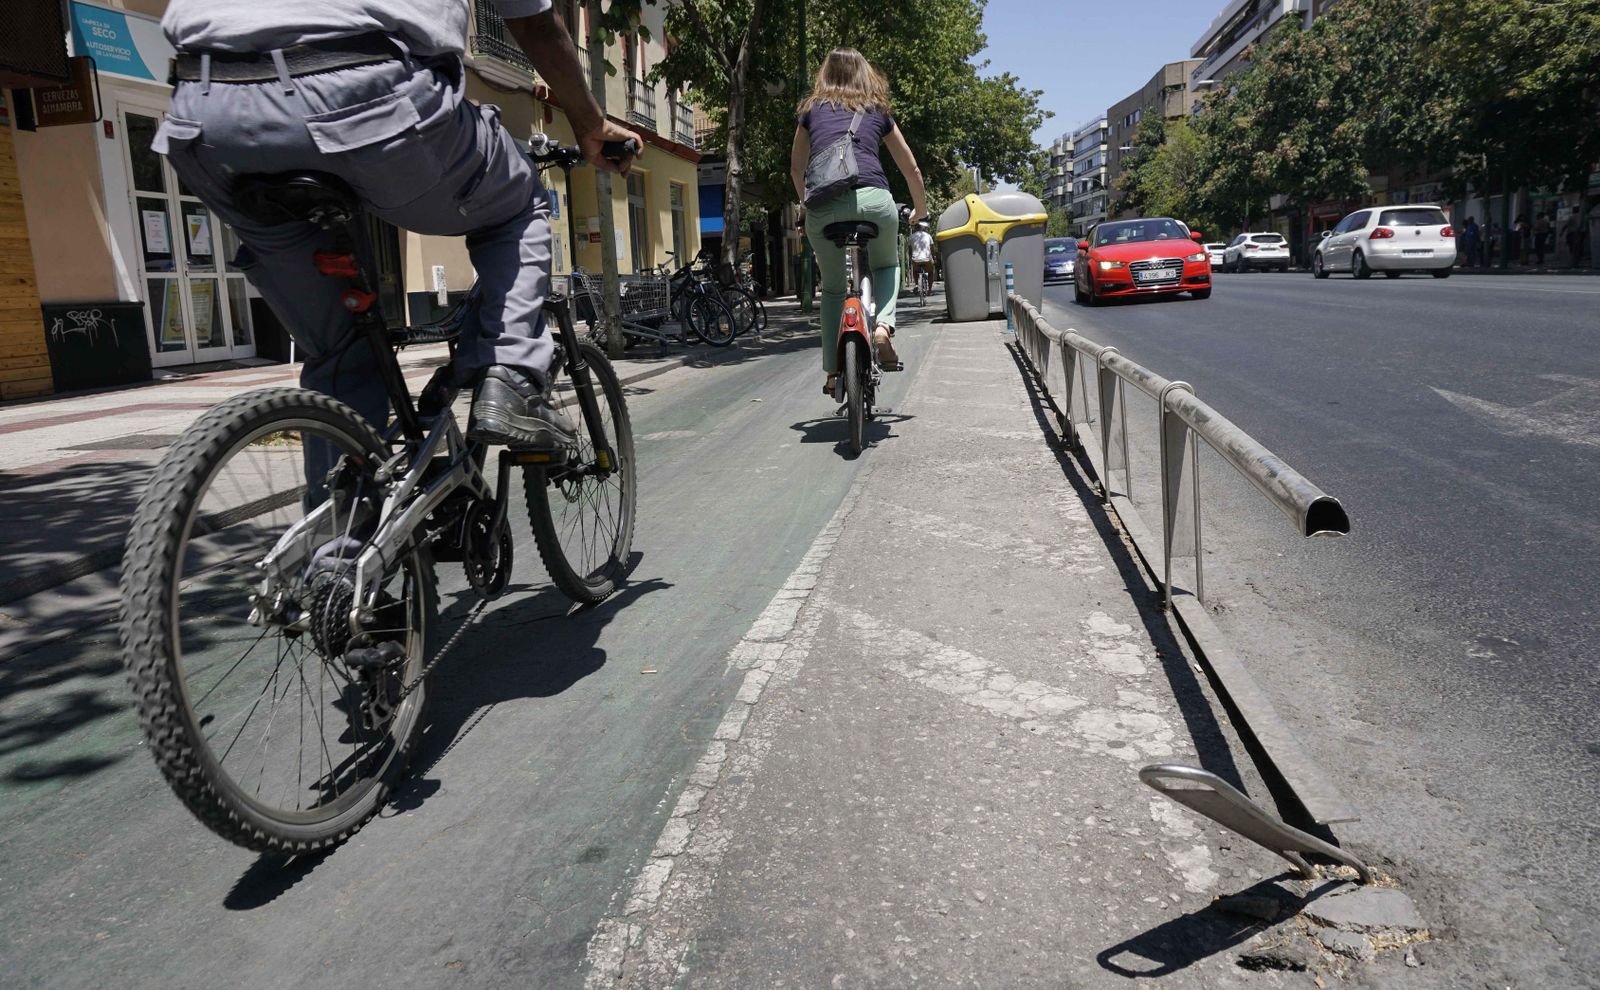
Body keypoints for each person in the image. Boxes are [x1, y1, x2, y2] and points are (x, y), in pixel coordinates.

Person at [154, 1, 641, 451]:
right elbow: (535, 22)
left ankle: (345, 535)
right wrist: (590, 123)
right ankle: (512, 373)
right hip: (366, 92)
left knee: (340, 354)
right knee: (522, 201)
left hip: (204, 110)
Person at [790, 47, 928, 394]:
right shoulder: (878, 111)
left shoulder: (811, 110)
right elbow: (910, 167)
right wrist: (920, 209)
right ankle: (883, 325)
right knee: (886, 266)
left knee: (834, 288)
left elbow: (796, 168)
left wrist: (806, 205)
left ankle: (833, 372)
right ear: (864, 74)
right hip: (875, 202)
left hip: (823, 207)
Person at [909, 220, 935, 292]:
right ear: (922, 228)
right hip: (927, 259)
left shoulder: (911, 237)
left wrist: (911, 259)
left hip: (916, 260)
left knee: (914, 270)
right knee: (930, 272)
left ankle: (916, 284)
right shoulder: (928, 235)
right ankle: (929, 290)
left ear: (915, 228)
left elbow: (910, 250)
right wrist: (934, 257)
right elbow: (932, 248)